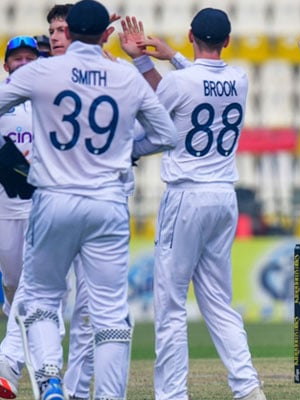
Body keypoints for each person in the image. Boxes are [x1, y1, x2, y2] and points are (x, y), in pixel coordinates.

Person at [0, 1, 176, 399]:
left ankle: (49, 383)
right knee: (110, 314)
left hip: (54, 198)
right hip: (108, 202)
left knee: (42, 298)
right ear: (104, 35)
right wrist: (126, 150)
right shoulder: (125, 77)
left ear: (64, 33)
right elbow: (167, 135)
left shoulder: (43, 70)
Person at [119, 8, 266, 400]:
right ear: (228, 41)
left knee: (170, 304)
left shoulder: (181, 82)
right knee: (218, 302)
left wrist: (142, 60)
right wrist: (172, 58)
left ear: (190, 35)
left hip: (186, 195)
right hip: (223, 196)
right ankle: (247, 386)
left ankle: (171, 394)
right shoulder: (240, 79)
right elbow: (198, 83)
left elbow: (157, 102)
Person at [0, 35, 40, 399]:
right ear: (7, 64)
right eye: (18, 58)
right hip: (5, 212)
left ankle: (9, 368)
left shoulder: (49, 98)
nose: (24, 63)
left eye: (31, 57)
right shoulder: (3, 98)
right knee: (15, 289)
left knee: (35, 291)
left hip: (44, 211)